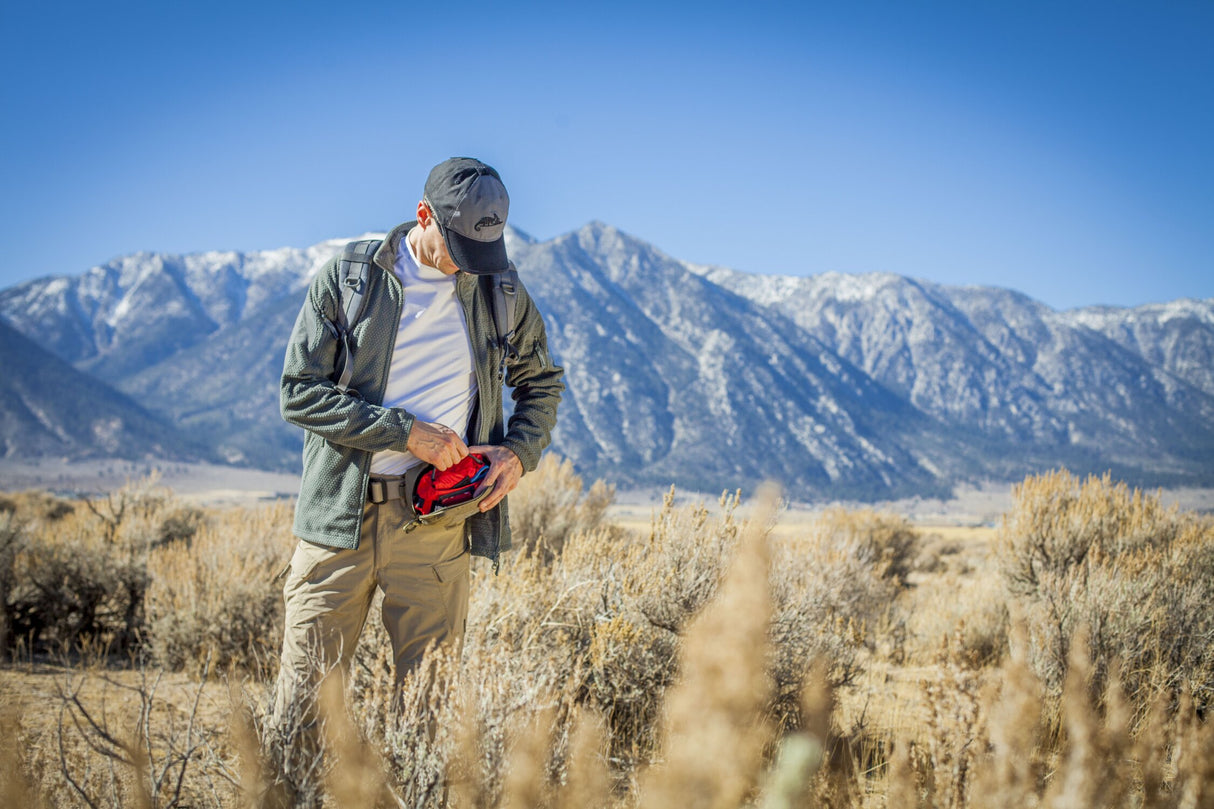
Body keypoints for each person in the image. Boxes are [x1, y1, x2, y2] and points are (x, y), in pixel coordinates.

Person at [272, 157, 564, 724]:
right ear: (423, 214)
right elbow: (298, 393)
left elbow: (542, 382)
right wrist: (404, 432)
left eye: (482, 251)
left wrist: (518, 453)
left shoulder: (500, 291)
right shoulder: (350, 279)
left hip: (434, 526)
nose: (466, 265)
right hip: (339, 523)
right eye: (457, 246)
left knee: (429, 715)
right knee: (303, 709)